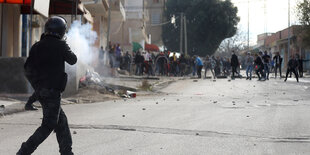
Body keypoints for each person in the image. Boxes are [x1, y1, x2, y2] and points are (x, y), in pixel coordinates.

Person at [17, 16, 77, 155]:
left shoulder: (37, 46)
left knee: (61, 122)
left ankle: (66, 152)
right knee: (48, 125)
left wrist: (37, 86)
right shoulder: (61, 45)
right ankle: (24, 151)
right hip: (53, 92)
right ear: (62, 31)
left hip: (41, 92)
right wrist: (64, 44)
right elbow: (73, 60)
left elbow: (27, 69)